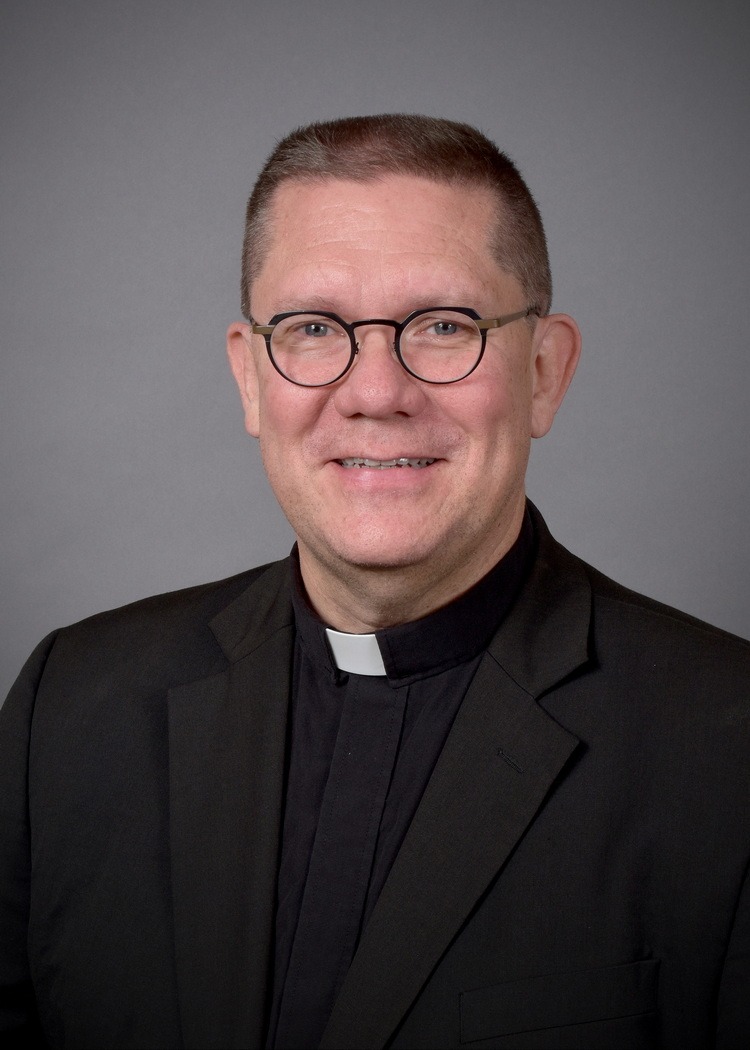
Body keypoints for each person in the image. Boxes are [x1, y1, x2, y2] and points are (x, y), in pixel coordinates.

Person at [1, 114, 748, 1050]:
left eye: (444, 325)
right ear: (248, 378)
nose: (376, 390)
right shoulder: (68, 710)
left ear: (545, 373)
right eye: (314, 329)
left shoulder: (728, 755)